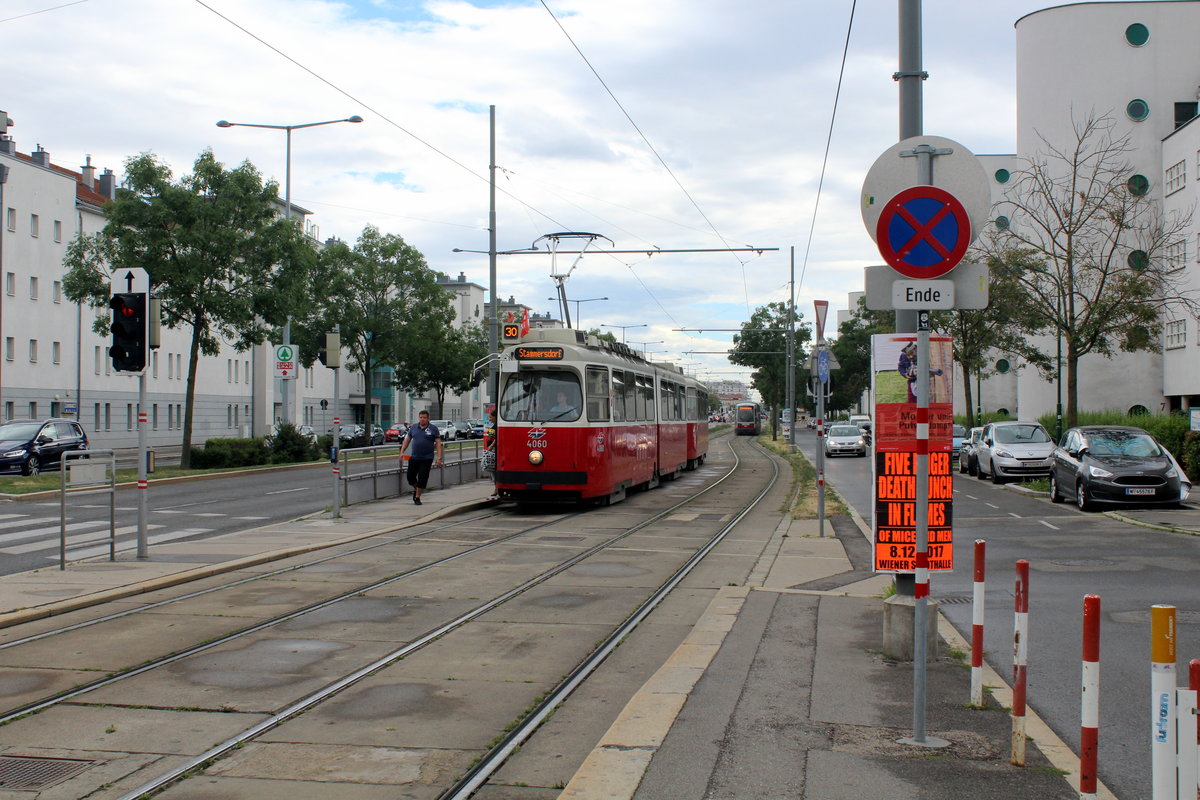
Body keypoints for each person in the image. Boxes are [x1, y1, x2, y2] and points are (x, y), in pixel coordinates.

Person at [399, 410, 443, 505]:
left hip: (427, 458)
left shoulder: (433, 429)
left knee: (422, 477)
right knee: (410, 478)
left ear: (428, 419)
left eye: (424, 417)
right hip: (414, 457)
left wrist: (439, 458)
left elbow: (438, 443)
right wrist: (402, 452)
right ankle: (417, 489)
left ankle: (417, 497)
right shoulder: (414, 427)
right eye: (421, 417)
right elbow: (407, 440)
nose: (422, 419)